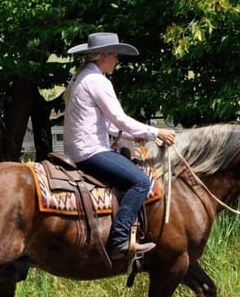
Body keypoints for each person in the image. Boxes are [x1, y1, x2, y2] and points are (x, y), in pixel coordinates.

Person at [63, 32, 176, 260]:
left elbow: (108, 124)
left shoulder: (83, 77)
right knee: (141, 181)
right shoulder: (97, 81)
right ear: (103, 55)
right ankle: (120, 238)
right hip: (90, 151)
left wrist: (133, 135)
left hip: (79, 149)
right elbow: (119, 119)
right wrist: (156, 132)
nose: (116, 60)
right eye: (114, 55)